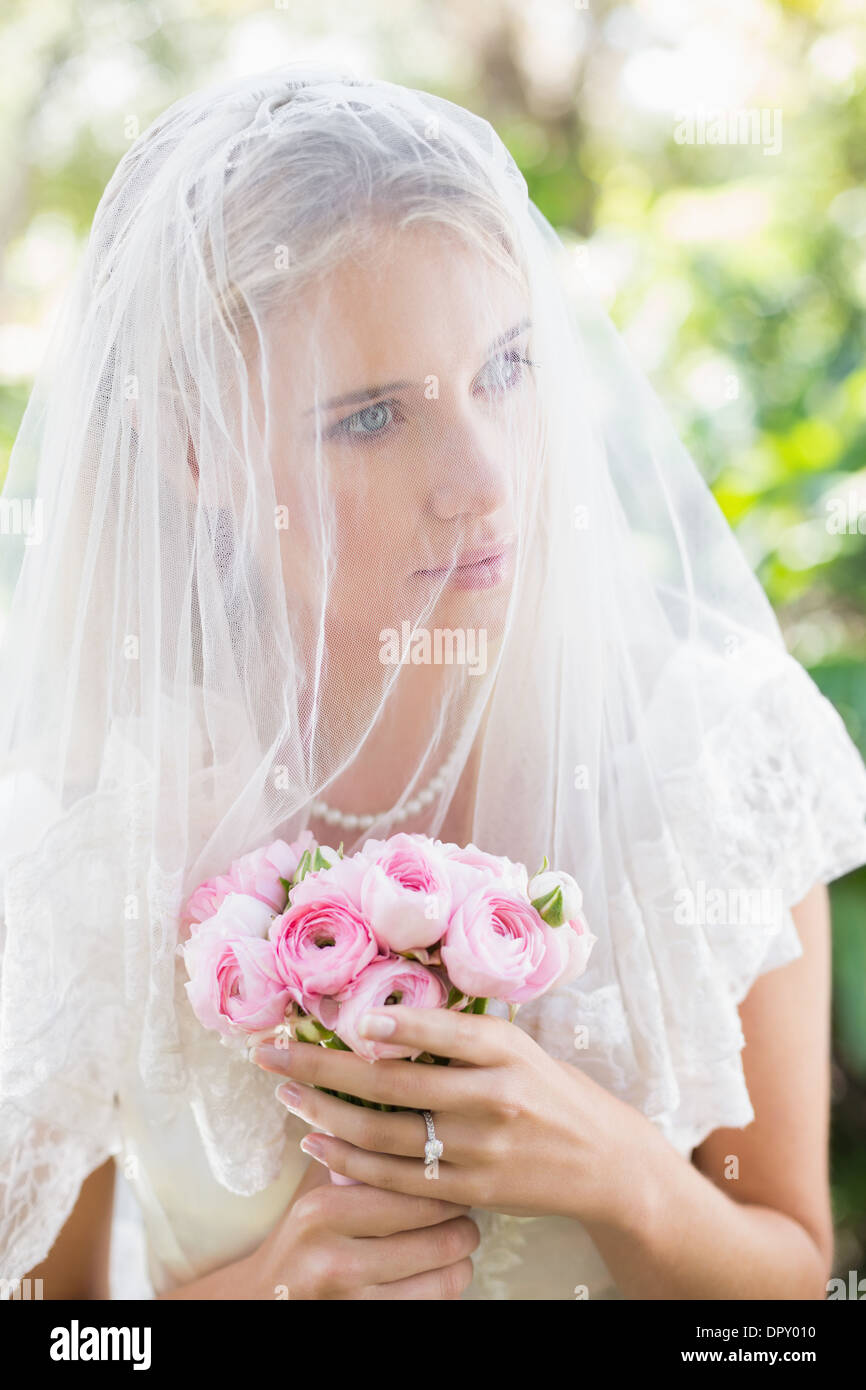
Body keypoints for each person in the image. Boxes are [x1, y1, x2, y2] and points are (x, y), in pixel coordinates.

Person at [3, 64, 866, 1301]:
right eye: (370, 418)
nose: (484, 475)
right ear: (201, 451)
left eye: (504, 369)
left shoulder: (713, 757)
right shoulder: (91, 824)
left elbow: (790, 1303)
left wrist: (623, 1174)